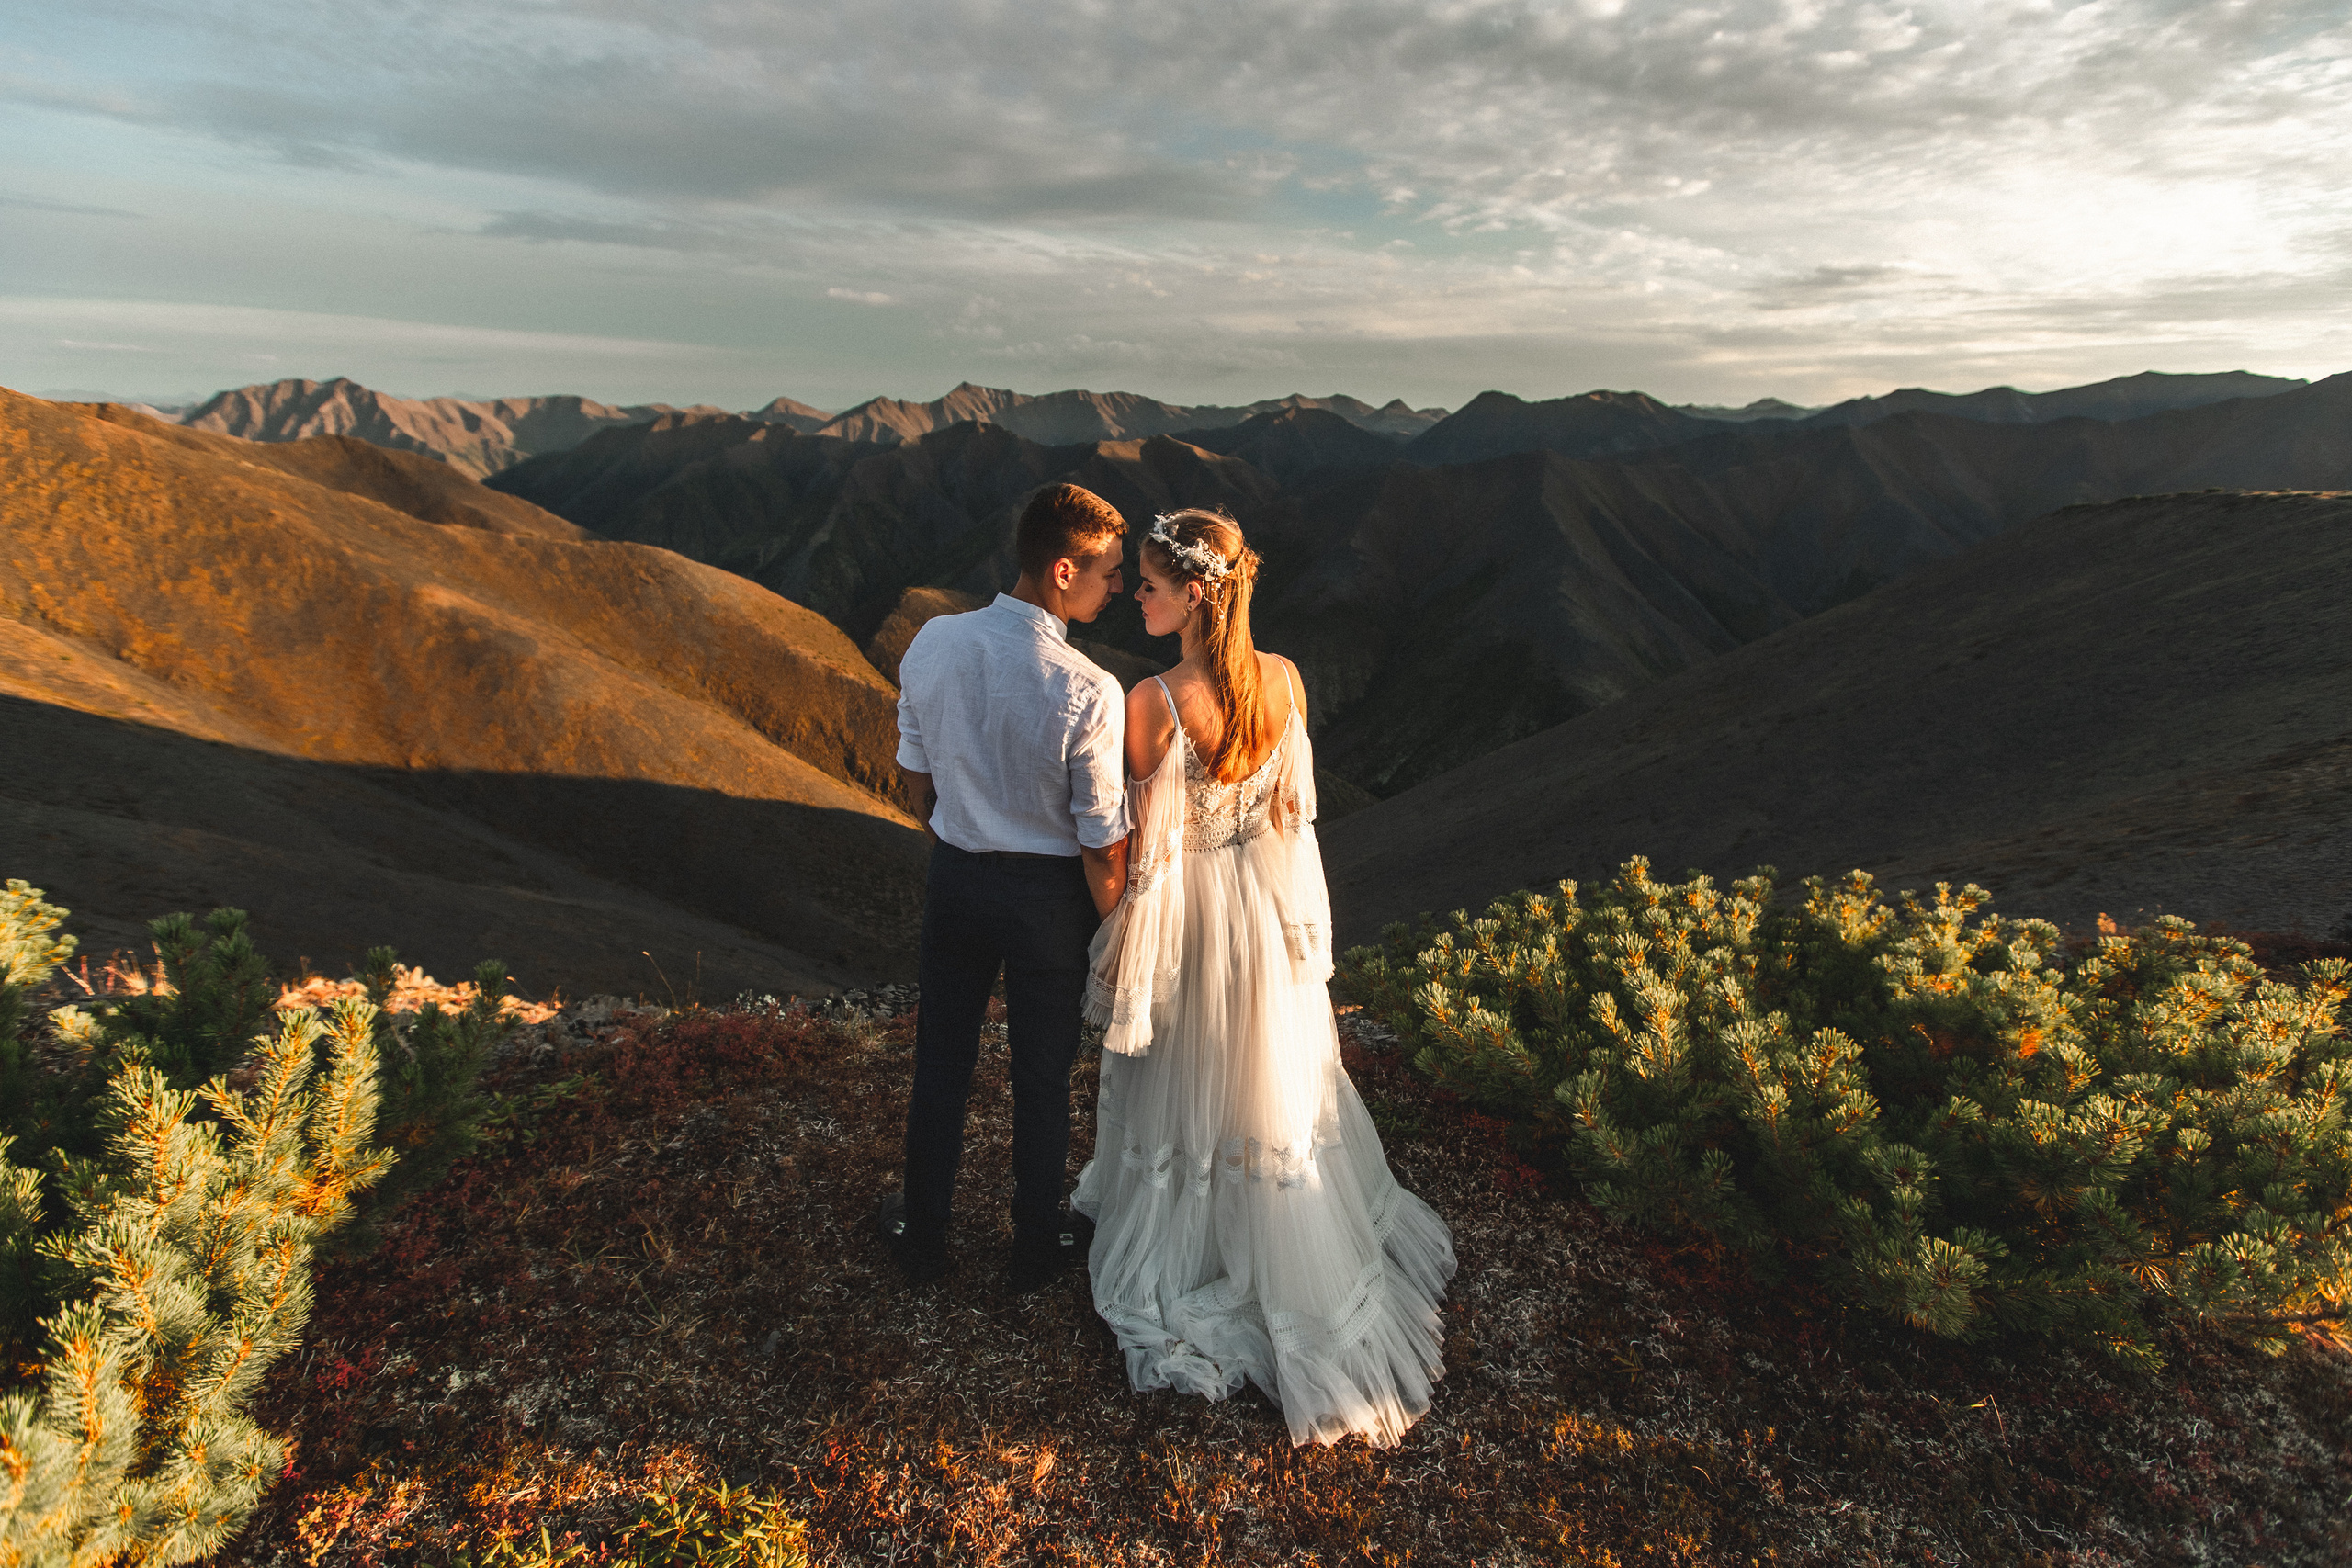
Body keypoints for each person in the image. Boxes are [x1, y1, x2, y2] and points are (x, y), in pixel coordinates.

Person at [1074, 507, 1456, 1448]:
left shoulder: (1151, 703)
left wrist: (1117, 931)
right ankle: (1282, 1237)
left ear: (1197, 592)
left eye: (1152, 587)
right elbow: (1292, 819)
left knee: (1185, 1081)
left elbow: (1125, 851)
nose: (1134, 597)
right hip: (1258, 910)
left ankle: (1198, 1253)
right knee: (1269, 1081)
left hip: (1196, 919)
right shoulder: (1282, 680)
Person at [879, 483, 1132, 1292]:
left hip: (956, 878)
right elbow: (1100, 840)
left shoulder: (932, 641)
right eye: (1110, 573)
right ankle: (1032, 1245)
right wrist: (1116, 926)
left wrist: (962, 834)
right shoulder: (1089, 689)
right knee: (1041, 1076)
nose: (1119, 587)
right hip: (1047, 900)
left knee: (941, 1064)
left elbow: (914, 775)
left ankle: (923, 1236)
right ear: (1064, 571)